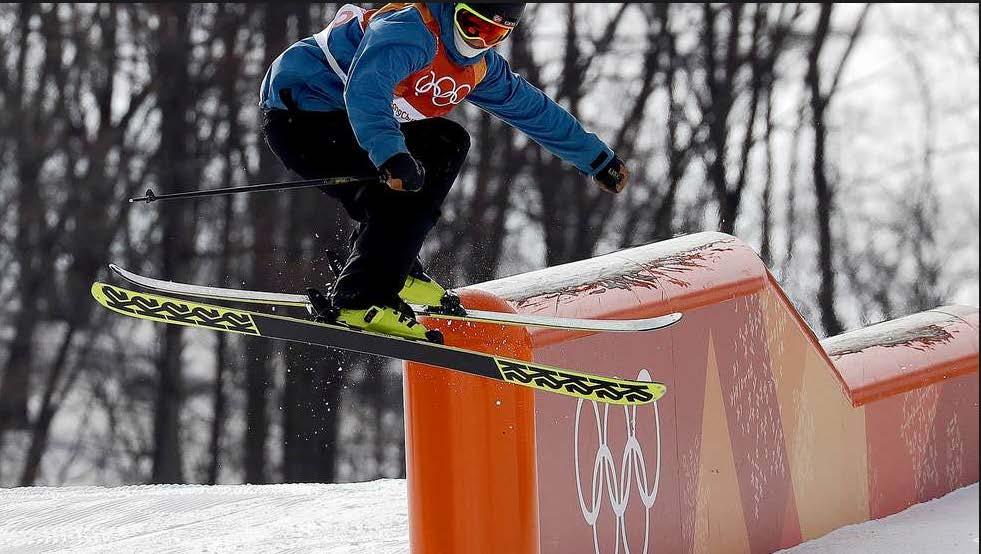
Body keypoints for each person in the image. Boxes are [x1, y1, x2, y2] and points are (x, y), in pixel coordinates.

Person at [259, 3, 629, 342]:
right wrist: (391, 154)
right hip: (302, 116)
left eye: (493, 35)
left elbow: (532, 109)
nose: (478, 40)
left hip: (350, 123)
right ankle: (361, 297)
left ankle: (392, 267)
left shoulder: (479, 65)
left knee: (447, 142)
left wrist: (597, 159)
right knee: (402, 185)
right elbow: (366, 90)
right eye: (471, 25)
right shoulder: (411, 31)